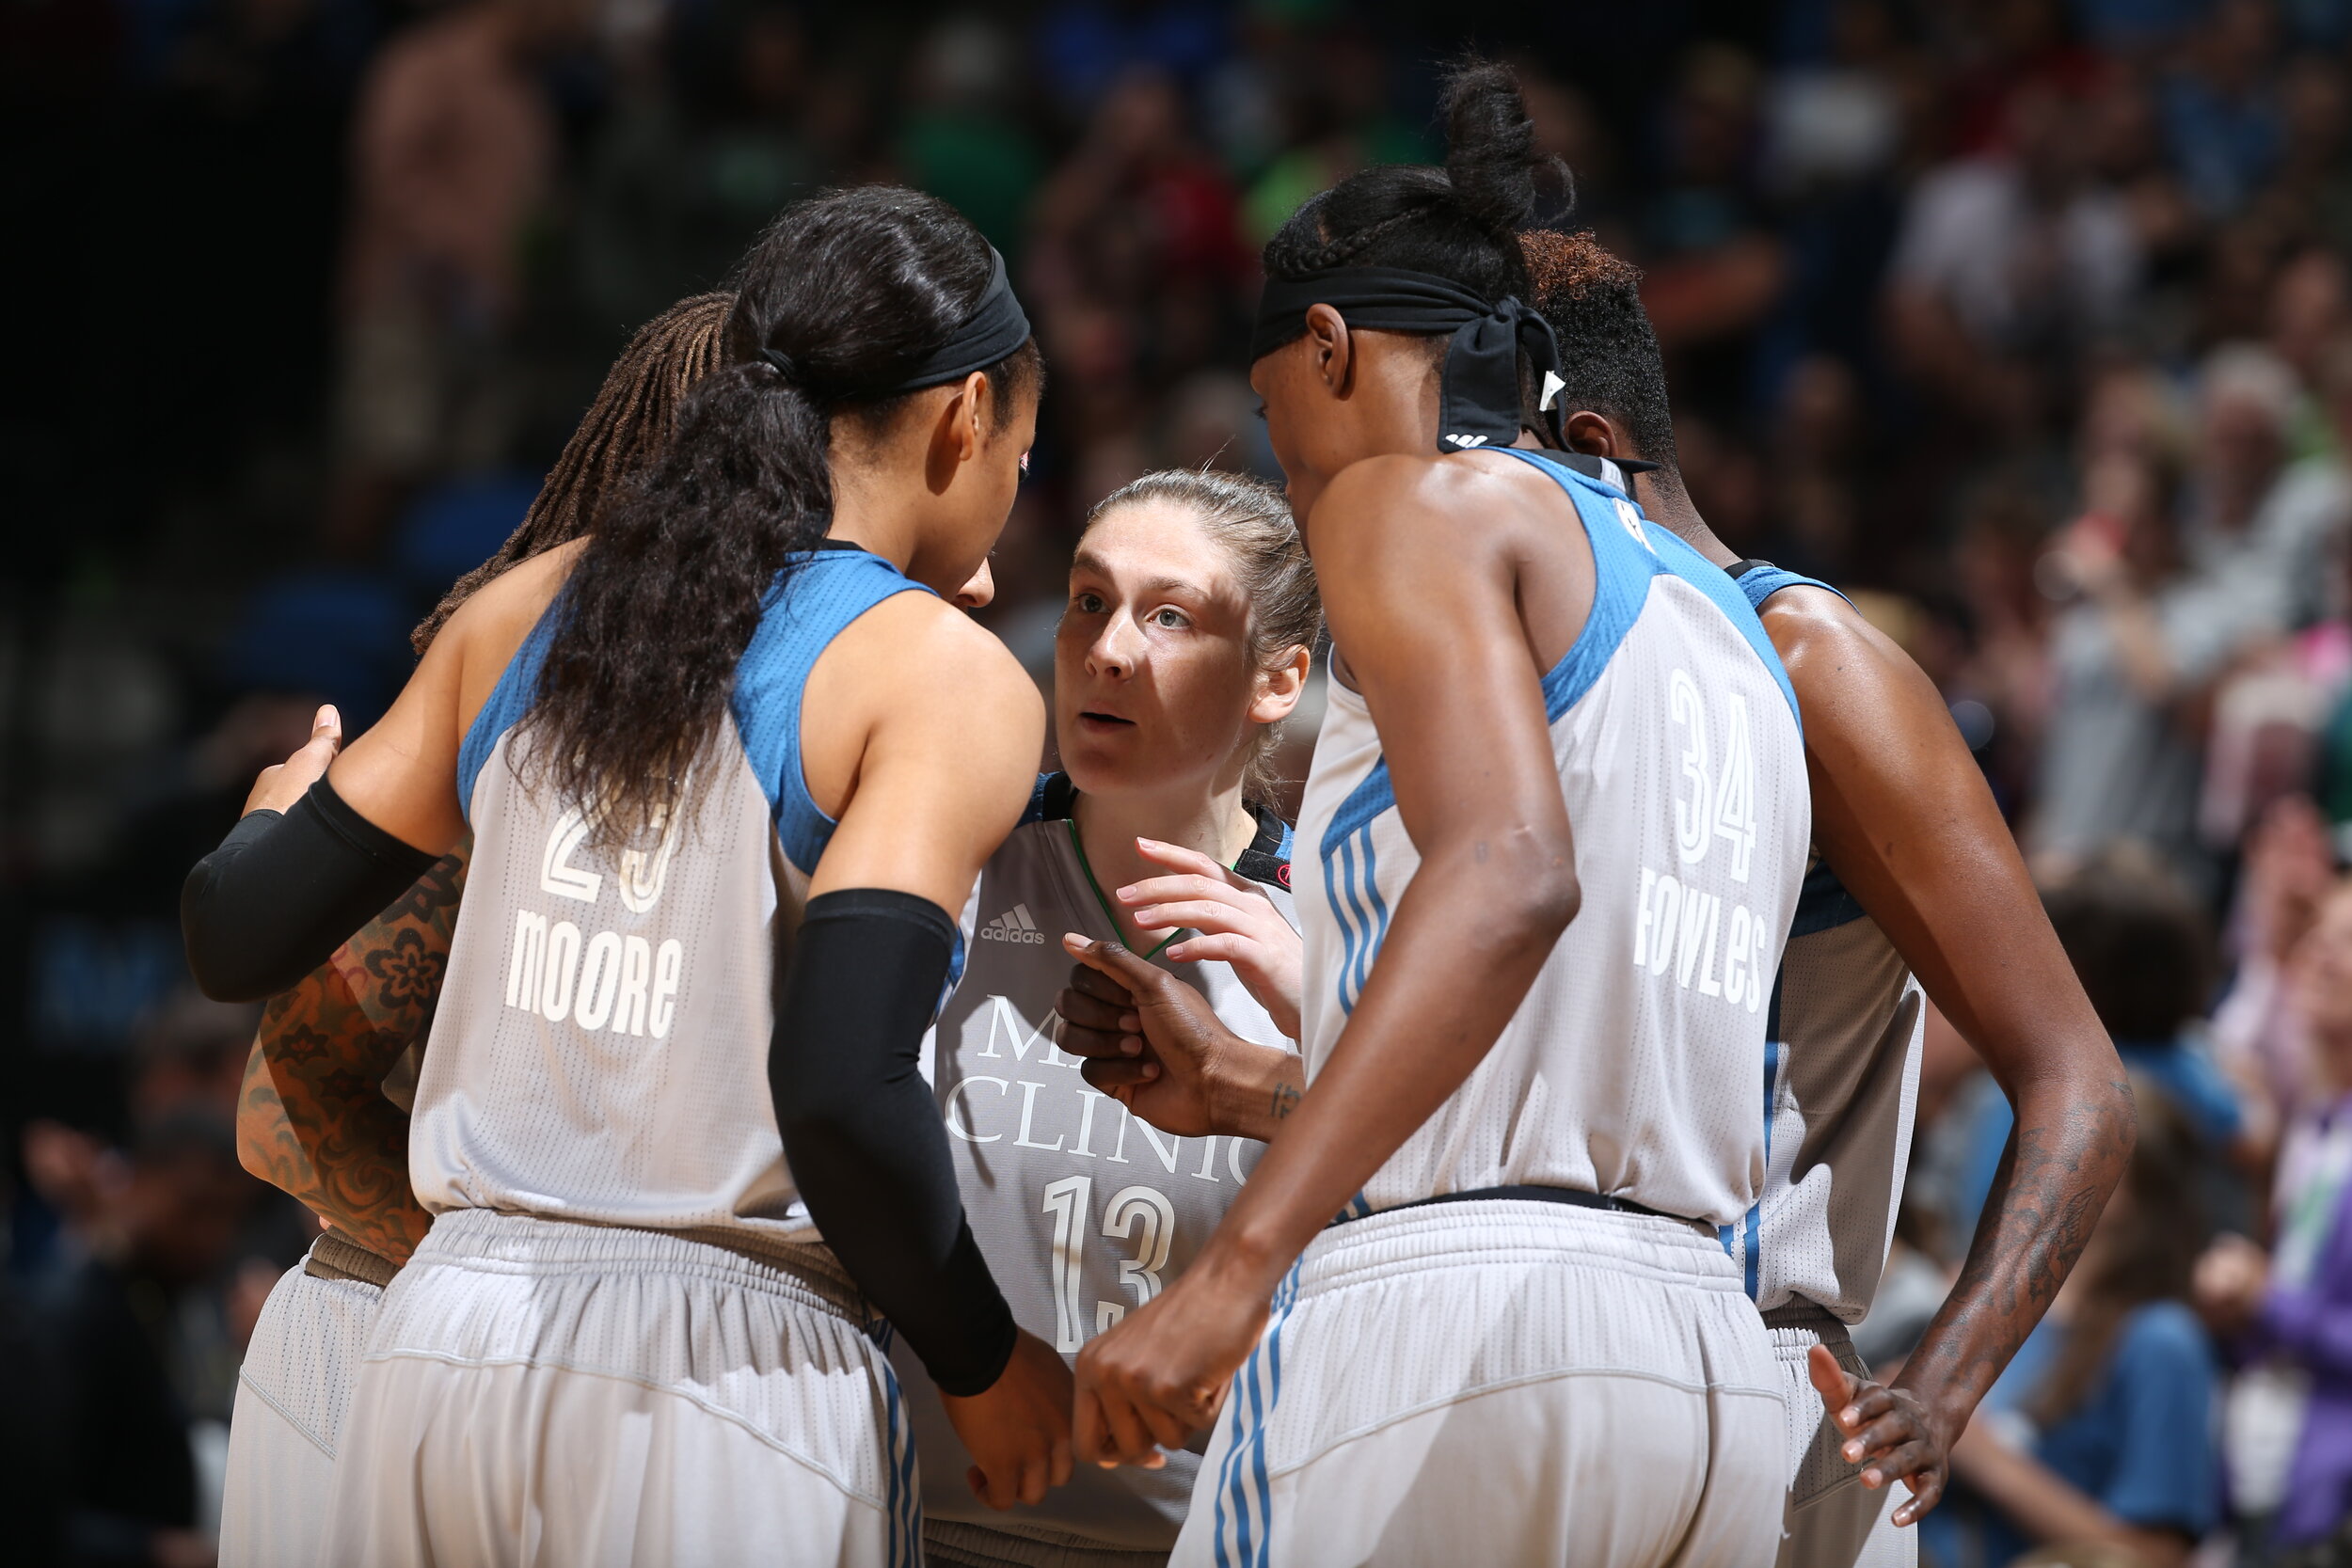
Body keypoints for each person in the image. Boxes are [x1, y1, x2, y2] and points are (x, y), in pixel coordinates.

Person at [183, 186, 1070, 1564]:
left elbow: (238, 929)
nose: (1020, 477)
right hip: (728, 1369)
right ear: (965, 416)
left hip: (446, 1342)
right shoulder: (939, 671)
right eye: (1026, 438)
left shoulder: (529, 605)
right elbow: (841, 1087)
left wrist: (268, 811)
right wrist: (983, 1357)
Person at [1058, 61, 1810, 1565]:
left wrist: (1235, 1269)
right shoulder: (1727, 626)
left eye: (1277, 426)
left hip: (1446, 1324)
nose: (1293, 473)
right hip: (1711, 1374)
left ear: (1325, 348)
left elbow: (1517, 873)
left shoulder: (1414, 508)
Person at [1519, 228, 2134, 1566]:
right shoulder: (1532, 683)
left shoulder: (1810, 658)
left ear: (1585, 441)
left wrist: (1947, 1379)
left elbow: (2079, 1076)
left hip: (1761, 1378)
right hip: (1541, 1353)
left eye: (1466, 463)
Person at [215, 291, 732, 1568]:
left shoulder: (756, 722)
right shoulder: (536, 699)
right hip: (391, 1335)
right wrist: (530, 1284)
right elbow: (283, 1115)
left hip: (554, 1352)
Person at [909, 468, 1317, 1568]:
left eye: (1169, 615)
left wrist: (1313, 1002)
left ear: (1276, 680)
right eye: (1090, 599)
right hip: (916, 1519)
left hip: (1207, 1541)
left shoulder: (1334, 925)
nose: (1107, 647)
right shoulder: (948, 849)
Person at [1929, 1085, 2219, 1568]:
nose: (2035, 1162)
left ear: (2126, 1183)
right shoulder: (2005, 1305)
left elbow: (2156, 1557)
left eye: (2067, 1146)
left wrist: (1984, 1458)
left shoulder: (2161, 1342)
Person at [2199, 874, 2352, 1561]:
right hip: (2261, 1476)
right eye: (2318, 934)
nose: (2319, 955)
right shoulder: (2320, 1126)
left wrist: (2267, 1299)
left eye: (2347, 942)